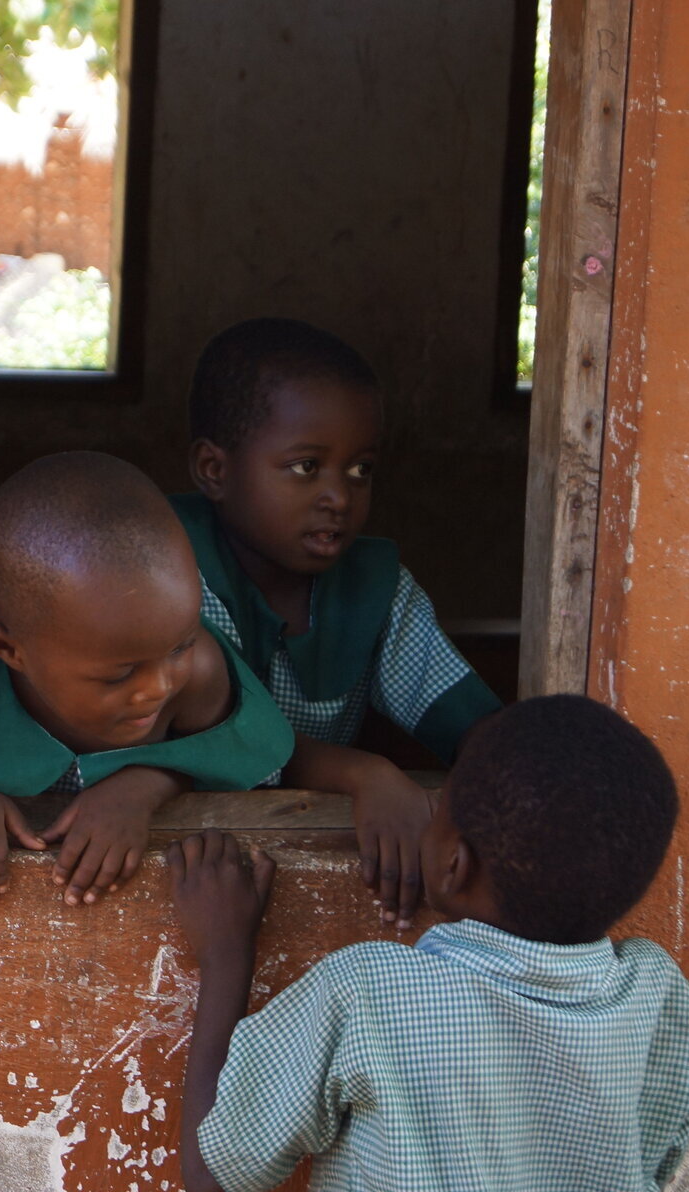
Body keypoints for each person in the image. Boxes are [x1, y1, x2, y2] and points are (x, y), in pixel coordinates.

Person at [169, 695, 689, 1192]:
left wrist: (227, 952)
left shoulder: (368, 993)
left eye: (437, 804)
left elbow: (210, 1176)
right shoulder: (654, 992)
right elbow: (652, 1162)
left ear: (452, 864)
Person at [175, 318, 502, 929]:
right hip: (198, 884)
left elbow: (478, 729)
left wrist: (464, 810)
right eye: (306, 467)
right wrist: (362, 774)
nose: (339, 497)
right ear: (214, 470)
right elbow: (220, 738)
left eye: (361, 470)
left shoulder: (375, 588)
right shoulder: (166, 572)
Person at [0, 452, 293, 906]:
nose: (159, 687)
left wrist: (146, 787)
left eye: (177, 648)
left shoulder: (196, 667)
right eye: (120, 675)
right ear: (9, 651)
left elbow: (245, 752)